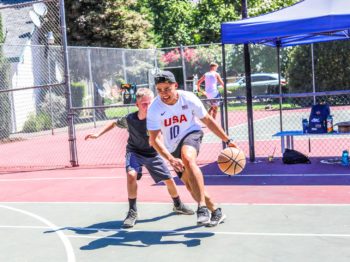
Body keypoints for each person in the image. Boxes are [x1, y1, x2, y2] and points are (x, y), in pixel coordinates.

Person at [85, 88, 194, 229]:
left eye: (150, 103)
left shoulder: (157, 118)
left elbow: (162, 134)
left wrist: (162, 145)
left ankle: (178, 204)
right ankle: (132, 211)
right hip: (134, 152)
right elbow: (113, 123)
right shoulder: (130, 119)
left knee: (169, 180)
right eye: (144, 104)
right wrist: (98, 134)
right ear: (137, 105)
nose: (148, 106)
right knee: (131, 175)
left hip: (152, 154)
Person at [147, 71, 238, 227]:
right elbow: (154, 139)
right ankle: (216, 211)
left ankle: (201, 207)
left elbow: (208, 121)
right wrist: (170, 158)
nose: (163, 93)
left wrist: (227, 140)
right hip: (172, 147)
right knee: (190, 186)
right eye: (159, 89)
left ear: (175, 86)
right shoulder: (155, 108)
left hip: (191, 133)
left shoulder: (188, 98)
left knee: (188, 158)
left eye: (167, 89)